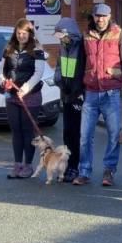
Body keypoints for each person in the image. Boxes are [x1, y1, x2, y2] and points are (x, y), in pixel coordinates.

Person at [72, 3, 122, 187]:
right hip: (91, 93)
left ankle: (109, 171)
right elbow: (80, 63)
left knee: (113, 134)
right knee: (85, 136)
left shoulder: (118, 34)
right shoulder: (86, 35)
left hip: (111, 93)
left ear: (109, 16)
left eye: (103, 16)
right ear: (93, 17)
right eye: (97, 16)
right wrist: (77, 90)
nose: (100, 19)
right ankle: (84, 172)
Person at [0, 19, 47, 179]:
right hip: (12, 96)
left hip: (30, 96)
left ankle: (28, 165)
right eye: (18, 33)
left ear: (30, 34)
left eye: (24, 33)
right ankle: (17, 164)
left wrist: (25, 88)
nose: (21, 36)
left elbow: (38, 73)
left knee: (28, 131)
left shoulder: (37, 50)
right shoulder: (8, 48)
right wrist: (3, 81)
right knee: (16, 131)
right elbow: (2, 70)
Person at [53, 16, 85, 182]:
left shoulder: (81, 47)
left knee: (76, 133)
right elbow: (59, 67)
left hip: (78, 96)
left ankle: (75, 167)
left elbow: (84, 72)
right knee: (67, 132)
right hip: (66, 95)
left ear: (70, 33)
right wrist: (59, 83)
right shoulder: (63, 46)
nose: (62, 40)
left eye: (62, 36)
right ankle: (67, 165)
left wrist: (78, 91)